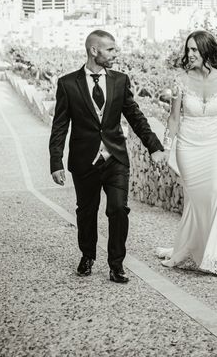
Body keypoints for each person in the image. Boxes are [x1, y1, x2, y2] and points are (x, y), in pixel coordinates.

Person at [49, 30, 164, 283]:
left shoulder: (120, 81)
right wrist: (55, 162)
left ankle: (116, 264)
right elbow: (60, 126)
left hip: (115, 159)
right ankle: (88, 255)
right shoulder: (68, 84)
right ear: (94, 51)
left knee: (118, 209)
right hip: (84, 161)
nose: (115, 53)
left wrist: (154, 146)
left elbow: (135, 117)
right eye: (110, 49)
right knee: (86, 212)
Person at [156, 30, 217, 277]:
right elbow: (173, 119)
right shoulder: (180, 80)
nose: (189, 54)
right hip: (189, 146)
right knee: (197, 199)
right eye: (188, 49)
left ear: (206, 51)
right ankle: (197, 249)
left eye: (194, 49)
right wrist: (166, 148)